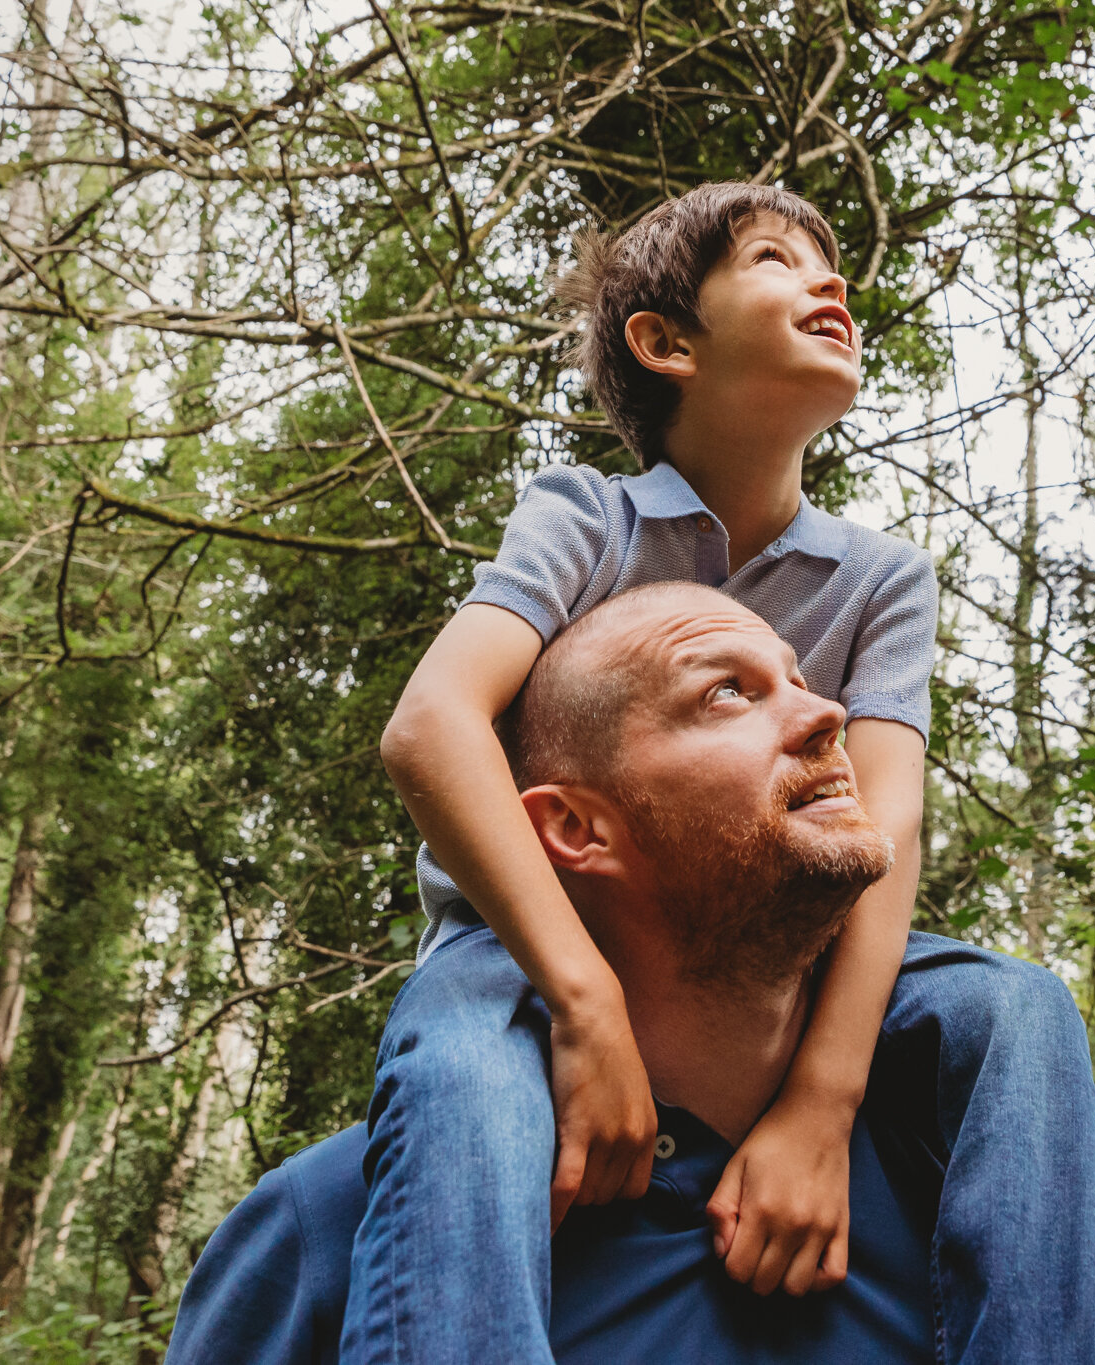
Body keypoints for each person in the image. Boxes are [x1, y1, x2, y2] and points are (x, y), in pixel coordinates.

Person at [164, 585, 1095, 1365]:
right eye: (726, 692)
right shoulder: (341, 1227)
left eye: (798, 679)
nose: (828, 714)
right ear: (576, 829)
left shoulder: (973, 1189)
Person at [357, 181, 945, 1362]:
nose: (830, 284)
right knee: (467, 1063)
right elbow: (431, 728)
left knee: (1016, 1014)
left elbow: (888, 829)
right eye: (778, 261)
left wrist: (821, 1108)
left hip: (776, 955)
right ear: (665, 343)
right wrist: (582, 1001)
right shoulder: (587, 518)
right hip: (525, 943)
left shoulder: (880, 577)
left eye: (832, 267)